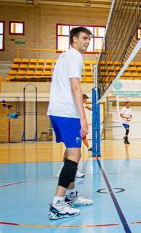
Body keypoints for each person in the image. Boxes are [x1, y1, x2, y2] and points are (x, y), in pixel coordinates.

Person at [47, 27, 93, 220]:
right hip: (67, 112)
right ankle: (57, 204)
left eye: (89, 39)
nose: (87, 42)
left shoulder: (64, 56)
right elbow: (76, 86)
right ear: (74, 39)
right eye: (84, 38)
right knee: (75, 154)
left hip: (57, 111)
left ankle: (71, 195)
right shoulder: (75, 56)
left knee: (71, 152)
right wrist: (83, 117)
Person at [55, 93, 92, 178]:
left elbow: (88, 108)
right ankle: (69, 170)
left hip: (75, 127)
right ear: (82, 98)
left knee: (70, 149)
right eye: (85, 99)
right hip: (73, 127)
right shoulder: (76, 103)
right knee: (76, 152)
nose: (85, 101)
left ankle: (64, 169)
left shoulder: (80, 104)